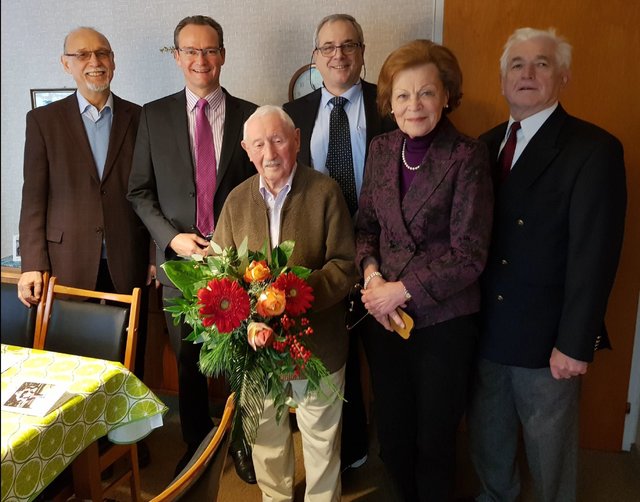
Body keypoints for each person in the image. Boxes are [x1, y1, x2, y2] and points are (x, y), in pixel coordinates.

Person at [467, 27, 627, 502]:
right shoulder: (484, 144)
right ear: (502, 81)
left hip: (547, 342)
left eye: (541, 63)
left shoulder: (593, 149)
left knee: (550, 455)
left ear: (564, 76)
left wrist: (575, 343)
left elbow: (594, 256)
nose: (527, 73)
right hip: (485, 330)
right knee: (489, 441)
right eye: (517, 65)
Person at [354, 39, 493, 501]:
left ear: (447, 95)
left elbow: (469, 254)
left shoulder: (467, 155)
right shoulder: (381, 149)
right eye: (403, 95)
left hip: (443, 325)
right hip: (385, 321)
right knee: (392, 438)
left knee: (434, 442)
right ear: (389, 104)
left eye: (426, 93)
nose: (414, 105)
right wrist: (372, 277)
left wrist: (402, 289)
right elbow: (366, 228)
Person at [127, 15, 258, 482]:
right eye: (191, 51)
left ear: (222, 54)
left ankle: (243, 443)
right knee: (187, 361)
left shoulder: (252, 114)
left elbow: (264, 189)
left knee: (243, 356)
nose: (201, 60)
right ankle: (197, 446)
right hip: (179, 263)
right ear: (177, 57)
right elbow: (139, 191)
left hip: (239, 263)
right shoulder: (153, 115)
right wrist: (170, 237)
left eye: (210, 50)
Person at [17, 26, 154, 465]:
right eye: (83, 55)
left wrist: (153, 256)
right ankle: (76, 448)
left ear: (113, 61)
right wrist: (31, 263)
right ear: (66, 64)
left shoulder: (140, 117)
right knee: (74, 357)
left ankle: (130, 439)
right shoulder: (43, 121)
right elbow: (33, 194)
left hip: (127, 256)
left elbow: (152, 192)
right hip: (66, 258)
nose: (94, 61)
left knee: (128, 354)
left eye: (103, 53)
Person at [213, 105, 357, 501]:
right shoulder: (236, 201)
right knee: (266, 439)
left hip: (318, 343)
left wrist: (294, 298)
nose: (270, 152)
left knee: (322, 443)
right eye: (259, 144)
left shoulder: (326, 192)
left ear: (296, 139)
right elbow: (219, 270)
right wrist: (248, 311)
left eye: (278, 140)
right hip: (259, 350)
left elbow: (346, 266)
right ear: (246, 148)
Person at [283, 13, 396, 472]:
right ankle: (345, 455)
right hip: (321, 262)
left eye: (348, 45)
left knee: (383, 362)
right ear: (315, 58)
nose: (339, 55)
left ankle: (390, 455)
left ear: (364, 53)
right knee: (329, 363)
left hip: (383, 262)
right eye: (328, 47)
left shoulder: (390, 108)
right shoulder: (294, 115)